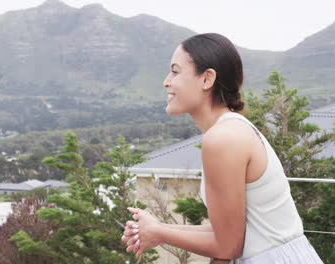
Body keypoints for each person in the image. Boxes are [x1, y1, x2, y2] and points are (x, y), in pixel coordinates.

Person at [121, 33, 323, 264]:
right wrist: (157, 229)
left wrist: (160, 232)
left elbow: (227, 247)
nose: (166, 81)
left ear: (207, 79)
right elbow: (229, 234)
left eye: (175, 71)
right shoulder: (229, 130)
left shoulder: (223, 138)